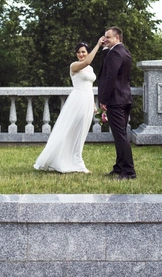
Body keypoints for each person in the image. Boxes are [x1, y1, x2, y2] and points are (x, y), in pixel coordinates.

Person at [34, 37, 104, 173]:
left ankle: (77, 159)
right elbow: (88, 60)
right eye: (79, 52)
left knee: (82, 132)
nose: (81, 54)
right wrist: (98, 45)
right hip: (77, 100)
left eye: (83, 52)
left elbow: (89, 86)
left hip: (87, 101)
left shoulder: (90, 68)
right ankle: (61, 160)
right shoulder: (74, 66)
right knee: (69, 130)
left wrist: (94, 104)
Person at [98, 26, 136, 179]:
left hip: (115, 100)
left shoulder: (114, 53)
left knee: (120, 136)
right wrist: (105, 48)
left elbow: (110, 77)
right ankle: (119, 168)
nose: (105, 39)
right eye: (104, 37)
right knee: (120, 134)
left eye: (108, 37)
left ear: (117, 38)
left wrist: (103, 99)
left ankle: (129, 171)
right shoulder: (124, 52)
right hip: (125, 98)